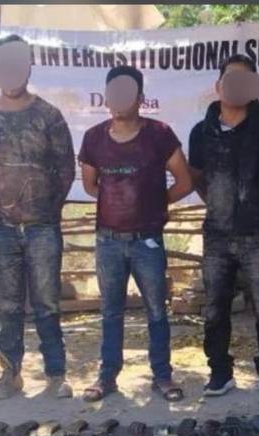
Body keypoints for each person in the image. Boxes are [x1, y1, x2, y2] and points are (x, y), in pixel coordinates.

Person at [78, 65, 193, 402]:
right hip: (108, 241)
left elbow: (185, 182)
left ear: (141, 98)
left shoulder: (160, 134)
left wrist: (154, 202)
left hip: (147, 241)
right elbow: (90, 185)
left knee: (156, 311)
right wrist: (118, 200)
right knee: (110, 312)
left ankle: (163, 377)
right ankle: (107, 378)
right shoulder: (93, 138)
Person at [0, 34, 76, 400]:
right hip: (1, 230)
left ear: (29, 67)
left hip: (42, 228)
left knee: (47, 304)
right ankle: (9, 375)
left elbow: (65, 170)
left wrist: (45, 211)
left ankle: (56, 375)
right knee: (8, 307)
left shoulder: (49, 116)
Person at [188, 54, 259, 398]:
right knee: (215, 308)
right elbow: (197, 177)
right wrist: (219, 204)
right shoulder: (200, 132)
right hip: (217, 236)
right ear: (218, 86)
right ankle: (220, 372)